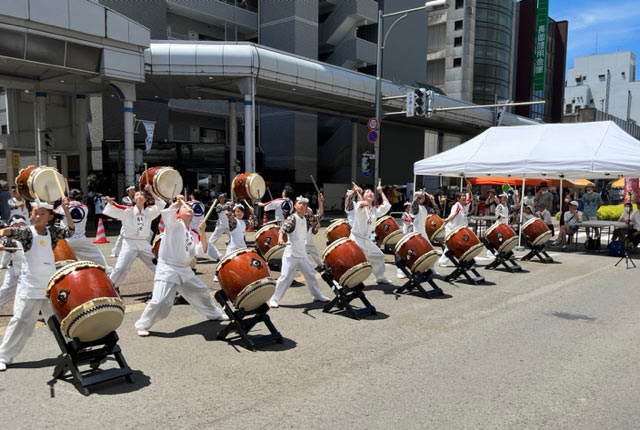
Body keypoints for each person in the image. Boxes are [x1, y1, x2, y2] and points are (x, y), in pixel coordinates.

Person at [134, 197, 227, 337]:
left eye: (190, 207)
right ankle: (142, 324)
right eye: (185, 207)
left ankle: (214, 314)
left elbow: (200, 250)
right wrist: (177, 203)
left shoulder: (194, 232)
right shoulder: (174, 225)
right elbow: (167, 214)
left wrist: (203, 233)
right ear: (179, 212)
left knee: (201, 291)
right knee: (160, 301)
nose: (189, 208)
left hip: (184, 269)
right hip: (167, 268)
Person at [0, 199, 74, 371]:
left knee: (60, 320)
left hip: (49, 287)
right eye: (35, 213)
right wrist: (3, 232)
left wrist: (66, 210)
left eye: (42, 213)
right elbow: (9, 231)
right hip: (30, 287)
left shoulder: (53, 232)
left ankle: (74, 348)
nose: (38, 216)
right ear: (31, 215)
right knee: (20, 321)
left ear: (49, 217)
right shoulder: (26, 232)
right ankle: (3, 356)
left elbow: (70, 231)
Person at [268, 196, 330, 308]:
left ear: (306, 208)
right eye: (300, 203)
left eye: (304, 204)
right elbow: (283, 229)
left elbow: (319, 216)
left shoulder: (307, 219)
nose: (302, 205)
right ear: (295, 206)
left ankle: (317, 295)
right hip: (291, 253)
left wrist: (320, 203)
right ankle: (274, 299)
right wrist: (280, 238)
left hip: (302, 253)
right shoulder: (292, 218)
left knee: (311, 274)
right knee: (285, 277)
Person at [104, 184, 165, 291]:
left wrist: (151, 191)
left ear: (146, 199)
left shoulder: (149, 212)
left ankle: (167, 286)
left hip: (144, 244)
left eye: (142, 195)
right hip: (129, 243)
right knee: (120, 268)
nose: (139, 197)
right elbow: (116, 207)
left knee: (157, 264)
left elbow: (161, 204)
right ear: (133, 199)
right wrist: (110, 203)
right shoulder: (127, 211)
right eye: (137, 195)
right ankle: (110, 288)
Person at [55, 189, 112, 274]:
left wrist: (62, 203)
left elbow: (53, 215)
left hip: (66, 240)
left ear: (69, 197)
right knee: (97, 255)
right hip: (81, 239)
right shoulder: (85, 208)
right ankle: (107, 273)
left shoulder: (61, 208)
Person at [349, 184, 392, 284]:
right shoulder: (358, 205)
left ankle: (380, 277)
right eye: (367, 192)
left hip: (367, 239)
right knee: (358, 261)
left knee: (379, 256)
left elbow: (386, 206)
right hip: (356, 239)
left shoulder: (374, 210)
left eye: (372, 192)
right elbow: (359, 205)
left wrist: (381, 192)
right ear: (363, 196)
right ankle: (351, 281)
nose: (370, 193)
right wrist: (360, 198)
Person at [438, 182, 473, 267]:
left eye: (464, 196)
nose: (464, 197)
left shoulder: (465, 205)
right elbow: (452, 216)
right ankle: (442, 262)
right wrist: (444, 220)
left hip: (460, 230)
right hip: (452, 230)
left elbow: (470, 197)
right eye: (462, 196)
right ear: (458, 198)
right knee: (451, 246)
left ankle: (465, 260)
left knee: (463, 244)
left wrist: (468, 188)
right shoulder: (456, 206)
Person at [0, 215, 27, 311]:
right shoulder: (11, 239)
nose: (19, 227)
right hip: (15, 270)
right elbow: (5, 244)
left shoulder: (32, 235)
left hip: (31, 272)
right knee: (5, 291)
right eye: (16, 225)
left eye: (21, 225)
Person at [110, 185, 136, 258]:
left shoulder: (137, 197)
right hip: (127, 219)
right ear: (128, 192)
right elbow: (130, 206)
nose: (133, 191)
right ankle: (115, 252)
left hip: (136, 218)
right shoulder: (125, 199)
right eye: (131, 190)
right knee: (122, 235)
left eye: (134, 189)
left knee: (147, 233)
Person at [206, 193, 233, 260]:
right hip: (220, 225)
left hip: (227, 224)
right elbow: (223, 208)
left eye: (223, 197)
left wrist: (232, 204)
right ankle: (209, 250)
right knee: (212, 240)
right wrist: (229, 205)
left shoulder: (227, 204)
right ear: (219, 199)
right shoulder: (218, 205)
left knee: (232, 237)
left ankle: (231, 250)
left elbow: (231, 210)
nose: (222, 199)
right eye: (221, 198)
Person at [305, 194, 325, 270]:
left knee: (314, 252)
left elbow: (320, 215)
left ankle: (320, 264)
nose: (307, 213)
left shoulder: (309, 218)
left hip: (308, 242)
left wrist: (320, 202)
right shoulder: (294, 218)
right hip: (300, 244)